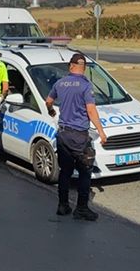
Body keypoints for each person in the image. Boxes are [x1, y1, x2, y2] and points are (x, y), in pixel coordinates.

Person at [45, 53, 107, 221]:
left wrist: (51, 111)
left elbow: (48, 101)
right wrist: (101, 132)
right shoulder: (85, 85)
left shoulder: (60, 83)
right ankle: (81, 208)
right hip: (79, 136)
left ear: (70, 66)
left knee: (65, 171)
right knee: (85, 172)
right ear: (84, 68)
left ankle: (63, 205)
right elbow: (91, 110)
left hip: (63, 134)